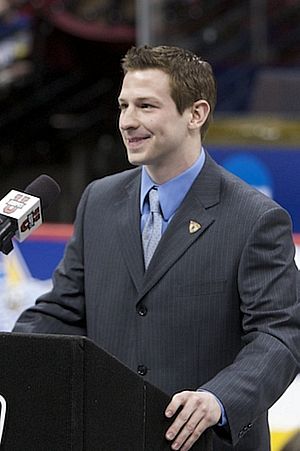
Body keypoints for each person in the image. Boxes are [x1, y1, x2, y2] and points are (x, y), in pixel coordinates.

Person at [13, 45, 300, 450]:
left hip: (203, 443)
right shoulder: (98, 200)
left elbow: (281, 333)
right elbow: (64, 310)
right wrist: (12, 353)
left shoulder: (255, 218)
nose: (128, 121)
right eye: (123, 105)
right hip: (108, 437)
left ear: (195, 114)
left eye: (146, 106)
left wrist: (219, 400)